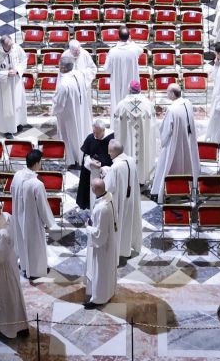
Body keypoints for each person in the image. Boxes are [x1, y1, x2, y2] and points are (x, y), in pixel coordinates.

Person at [0, 200, 30, 337]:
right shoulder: (6, 215)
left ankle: (11, 327)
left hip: (4, 270)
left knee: (6, 297)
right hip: (8, 262)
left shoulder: (3, 233)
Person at [10, 150, 54, 280]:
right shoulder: (37, 184)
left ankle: (24, 266)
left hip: (19, 215)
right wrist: (49, 222)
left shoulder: (17, 175)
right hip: (32, 220)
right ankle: (34, 271)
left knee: (23, 243)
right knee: (35, 245)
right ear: (36, 163)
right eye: (41, 162)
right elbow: (43, 206)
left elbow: (12, 191)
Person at [151, 85, 197, 195]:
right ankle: (185, 187)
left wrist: (162, 142)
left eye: (167, 92)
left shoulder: (172, 109)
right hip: (187, 139)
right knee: (186, 163)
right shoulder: (188, 103)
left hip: (174, 143)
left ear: (172, 94)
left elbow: (166, 130)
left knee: (169, 165)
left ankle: (165, 189)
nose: (167, 94)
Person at [113, 80, 158, 190]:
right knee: (143, 151)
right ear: (140, 90)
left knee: (128, 151)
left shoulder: (122, 104)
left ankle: (127, 178)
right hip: (143, 139)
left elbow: (117, 125)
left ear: (129, 90)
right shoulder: (148, 104)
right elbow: (152, 126)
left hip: (127, 140)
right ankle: (141, 178)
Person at [83, 177, 117, 308]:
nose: (91, 188)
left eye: (92, 187)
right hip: (110, 242)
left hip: (103, 247)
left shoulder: (102, 208)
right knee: (106, 270)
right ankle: (107, 292)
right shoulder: (109, 197)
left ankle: (99, 298)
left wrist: (88, 226)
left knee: (101, 271)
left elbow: (99, 235)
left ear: (95, 190)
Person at [53, 57, 91, 165]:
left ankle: (73, 159)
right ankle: (82, 155)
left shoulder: (64, 83)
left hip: (68, 116)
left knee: (70, 136)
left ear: (63, 68)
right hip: (80, 109)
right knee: (80, 132)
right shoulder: (79, 74)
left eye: (59, 65)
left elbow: (59, 104)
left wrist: (54, 110)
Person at [107, 143, 142, 261]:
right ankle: (126, 250)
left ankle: (116, 253)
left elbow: (109, 187)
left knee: (118, 227)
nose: (108, 154)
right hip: (130, 199)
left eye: (110, 152)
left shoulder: (115, 167)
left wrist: (104, 174)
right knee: (128, 225)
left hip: (119, 202)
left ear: (115, 152)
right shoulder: (130, 160)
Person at [0, 35, 29, 132]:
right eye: (8, 46)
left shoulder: (16, 48)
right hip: (3, 86)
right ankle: (6, 129)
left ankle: (17, 123)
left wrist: (17, 71)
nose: (11, 47)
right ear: (3, 45)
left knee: (17, 103)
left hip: (16, 83)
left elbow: (24, 60)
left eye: (11, 44)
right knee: (5, 108)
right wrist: (6, 74)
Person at [76, 119, 115, 211]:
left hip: (105, 171)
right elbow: (85, 155)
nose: (95, 135)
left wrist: (103, 167)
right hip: (91, 171)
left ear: (103, 130)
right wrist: (90, 162)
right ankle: (88, 204)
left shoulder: (111, 139)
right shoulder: (91, 138)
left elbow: (114, 156)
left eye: (97, 133)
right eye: (94, 132)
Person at [101, 35, 144, 110]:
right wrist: (131, 42)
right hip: (131, 85)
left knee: (117, 107)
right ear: (129, 37)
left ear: (119, 37)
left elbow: (107, 69)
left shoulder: (112, 51)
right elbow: (141, 50)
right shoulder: (134, 50)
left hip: (117, 84)